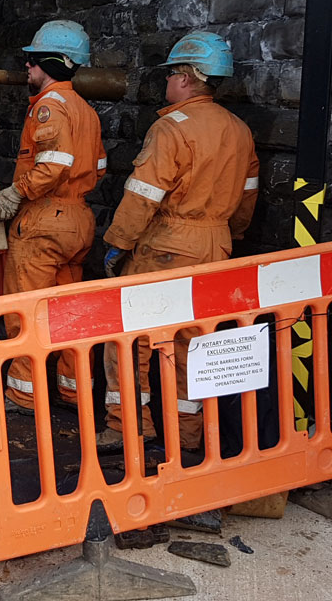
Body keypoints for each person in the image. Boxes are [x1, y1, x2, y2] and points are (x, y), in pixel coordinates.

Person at [97, 30, 259, 450]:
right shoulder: (239, 130)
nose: (167, 82)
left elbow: (143, 195)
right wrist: (230, 235)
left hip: (169, 242)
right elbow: (247, 195)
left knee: (131, 336)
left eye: (171, 74)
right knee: (194, 344)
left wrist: (119, 242)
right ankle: (188, 435)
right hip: (215, 244)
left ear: (187, 77)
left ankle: (127, 427)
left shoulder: (171, 127)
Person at [0, 20, 106, 414]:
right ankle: (74, 392)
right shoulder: (86, 111)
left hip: (46, 218)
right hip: (78, 219)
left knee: (26, 310)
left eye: (31, 61)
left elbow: (54, 164)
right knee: (68, 314)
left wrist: (16, 192)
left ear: (50, 64)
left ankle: (24, 394)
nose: (26, 67)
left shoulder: (48, 107)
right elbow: (99, 166)